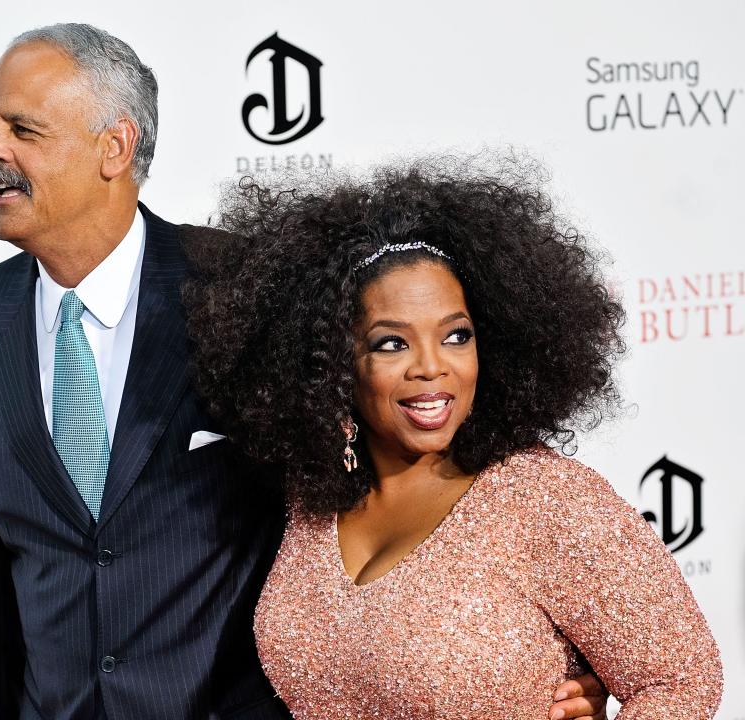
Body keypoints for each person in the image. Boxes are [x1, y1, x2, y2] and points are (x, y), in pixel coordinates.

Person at [0, 22, 609, 720]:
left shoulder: (243, 287)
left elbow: (414, 466)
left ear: (114, 147)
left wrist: (538, 655)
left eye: (21, 129)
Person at [183, 160, 724, 719]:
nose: (432, 368)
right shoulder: (310, 499)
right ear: (332, 364)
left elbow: (680, 681)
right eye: (391, 344)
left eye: (456, 336)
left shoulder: (545, 499)